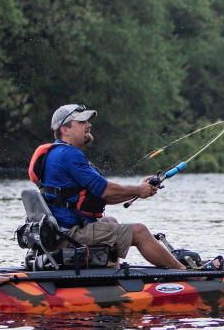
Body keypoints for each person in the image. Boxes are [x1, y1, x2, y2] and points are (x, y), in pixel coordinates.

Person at [39, 103, 185, 269]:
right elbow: (106, 190)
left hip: (61, 232)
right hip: (71, 234)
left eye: (87, 121)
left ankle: (112, 278)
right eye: (82, 122)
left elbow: (100, 197)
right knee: (140, 232)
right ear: (65, 129)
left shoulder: (56, 153)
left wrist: (141, 190)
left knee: (111, 222)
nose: (89, 125)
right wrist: (138, 190)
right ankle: (185, 273)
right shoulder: (70, 155)